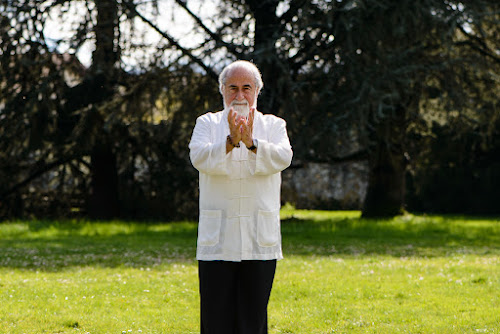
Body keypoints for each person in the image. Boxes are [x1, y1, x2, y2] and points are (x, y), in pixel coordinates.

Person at [188, 60, 293, 334]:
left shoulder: (274, 125)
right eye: (232, 88)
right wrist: (229, 142)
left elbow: (283, 157)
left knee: (253, 318)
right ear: (222, 90)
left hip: (259, 237)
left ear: (257, 91)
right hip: (218, 238)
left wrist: (251, 143)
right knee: (215, 317)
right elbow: (198, 157)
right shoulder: (207, 123)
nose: (239, 95)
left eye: (246, 87)